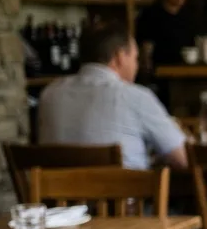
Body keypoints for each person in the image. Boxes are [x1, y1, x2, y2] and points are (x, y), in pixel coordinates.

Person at [38, 23, 188, 171]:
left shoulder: (49, 94)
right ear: (120, 57)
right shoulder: (135, 96)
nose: (137, 66)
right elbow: (184, 159)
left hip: (58, 194)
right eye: (135, 58)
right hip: (123, 194)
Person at [135, 0, 195, 69]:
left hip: (188, 71)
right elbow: (145, 49)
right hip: (160, 72)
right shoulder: (150, 15)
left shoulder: (191, 15)